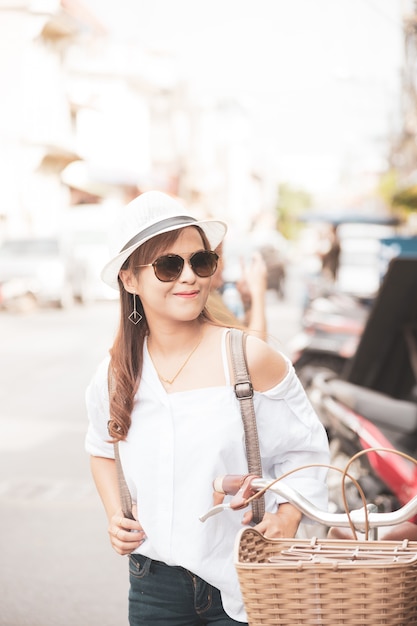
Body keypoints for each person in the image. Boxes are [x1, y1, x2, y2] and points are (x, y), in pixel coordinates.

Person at [85, 190, 330, 625]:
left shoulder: (249, 357)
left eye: (200, 261)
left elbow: (307, 452)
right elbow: (102, 447)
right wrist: (114, 515)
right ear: (129, 280)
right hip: (152, 582)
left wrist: (289, 516)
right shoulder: (116, 371)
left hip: (243, 578)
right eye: (168, 265)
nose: (190, 277)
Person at [207, 241, 268, 340]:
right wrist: (257, 291)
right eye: (218, 255)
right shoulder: (205, 302)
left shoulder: (212, 295)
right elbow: (255, 346)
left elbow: (242, 332)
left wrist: (248, 301)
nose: (224, 265)